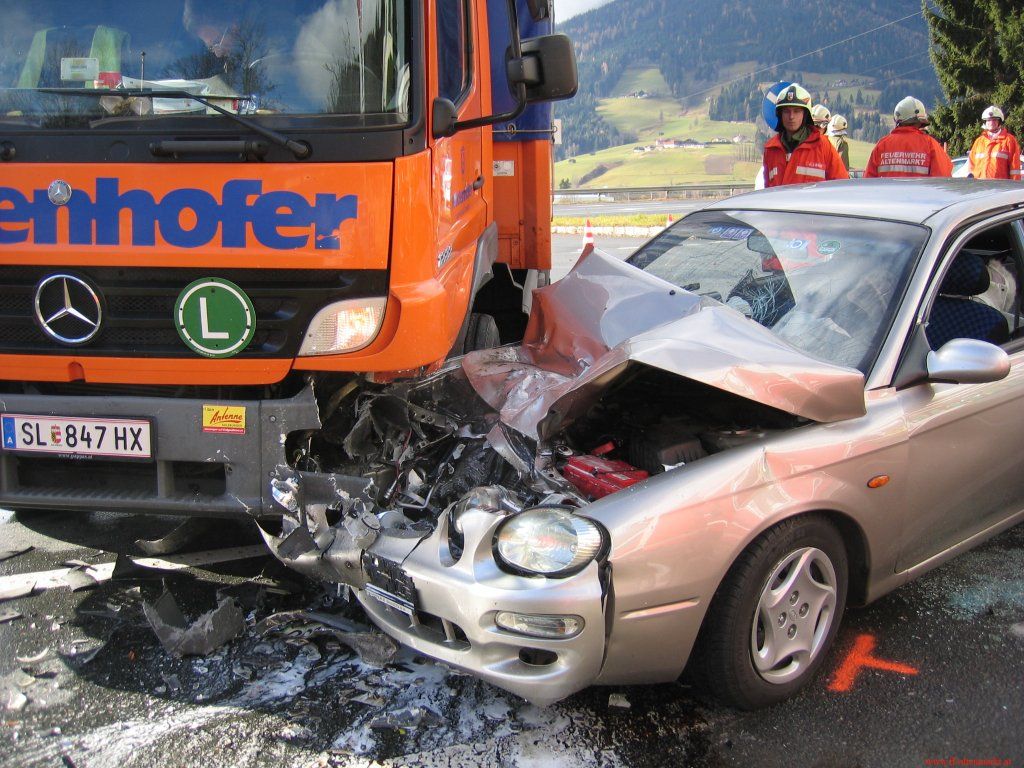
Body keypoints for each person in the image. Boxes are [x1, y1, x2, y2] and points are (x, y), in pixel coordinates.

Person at [762, 84, 849, 187]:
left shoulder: (823, 147)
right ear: (780, 114)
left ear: (805, 115)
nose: (791, 116)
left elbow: (842, 186)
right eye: (786, 111)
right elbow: (768, 190)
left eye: (797, 111)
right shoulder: (771, 150)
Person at [864, 96, 952, 178]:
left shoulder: (882, 145)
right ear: (920, 122)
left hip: (888, 191)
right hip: (921, 191)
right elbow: (942, 179)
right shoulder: (931, 144)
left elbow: (868, 181)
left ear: (897, 119)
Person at [968, 106, 1021, 180]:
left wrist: (1014, 185)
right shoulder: (979, 141)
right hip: (980, 185)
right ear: (985, 122)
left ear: (999, 122)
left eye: (994, 120)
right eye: (988, 120)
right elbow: (971, 166)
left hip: (1000, 186)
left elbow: (1015, 168)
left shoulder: (1009, 140)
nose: (991, 123)